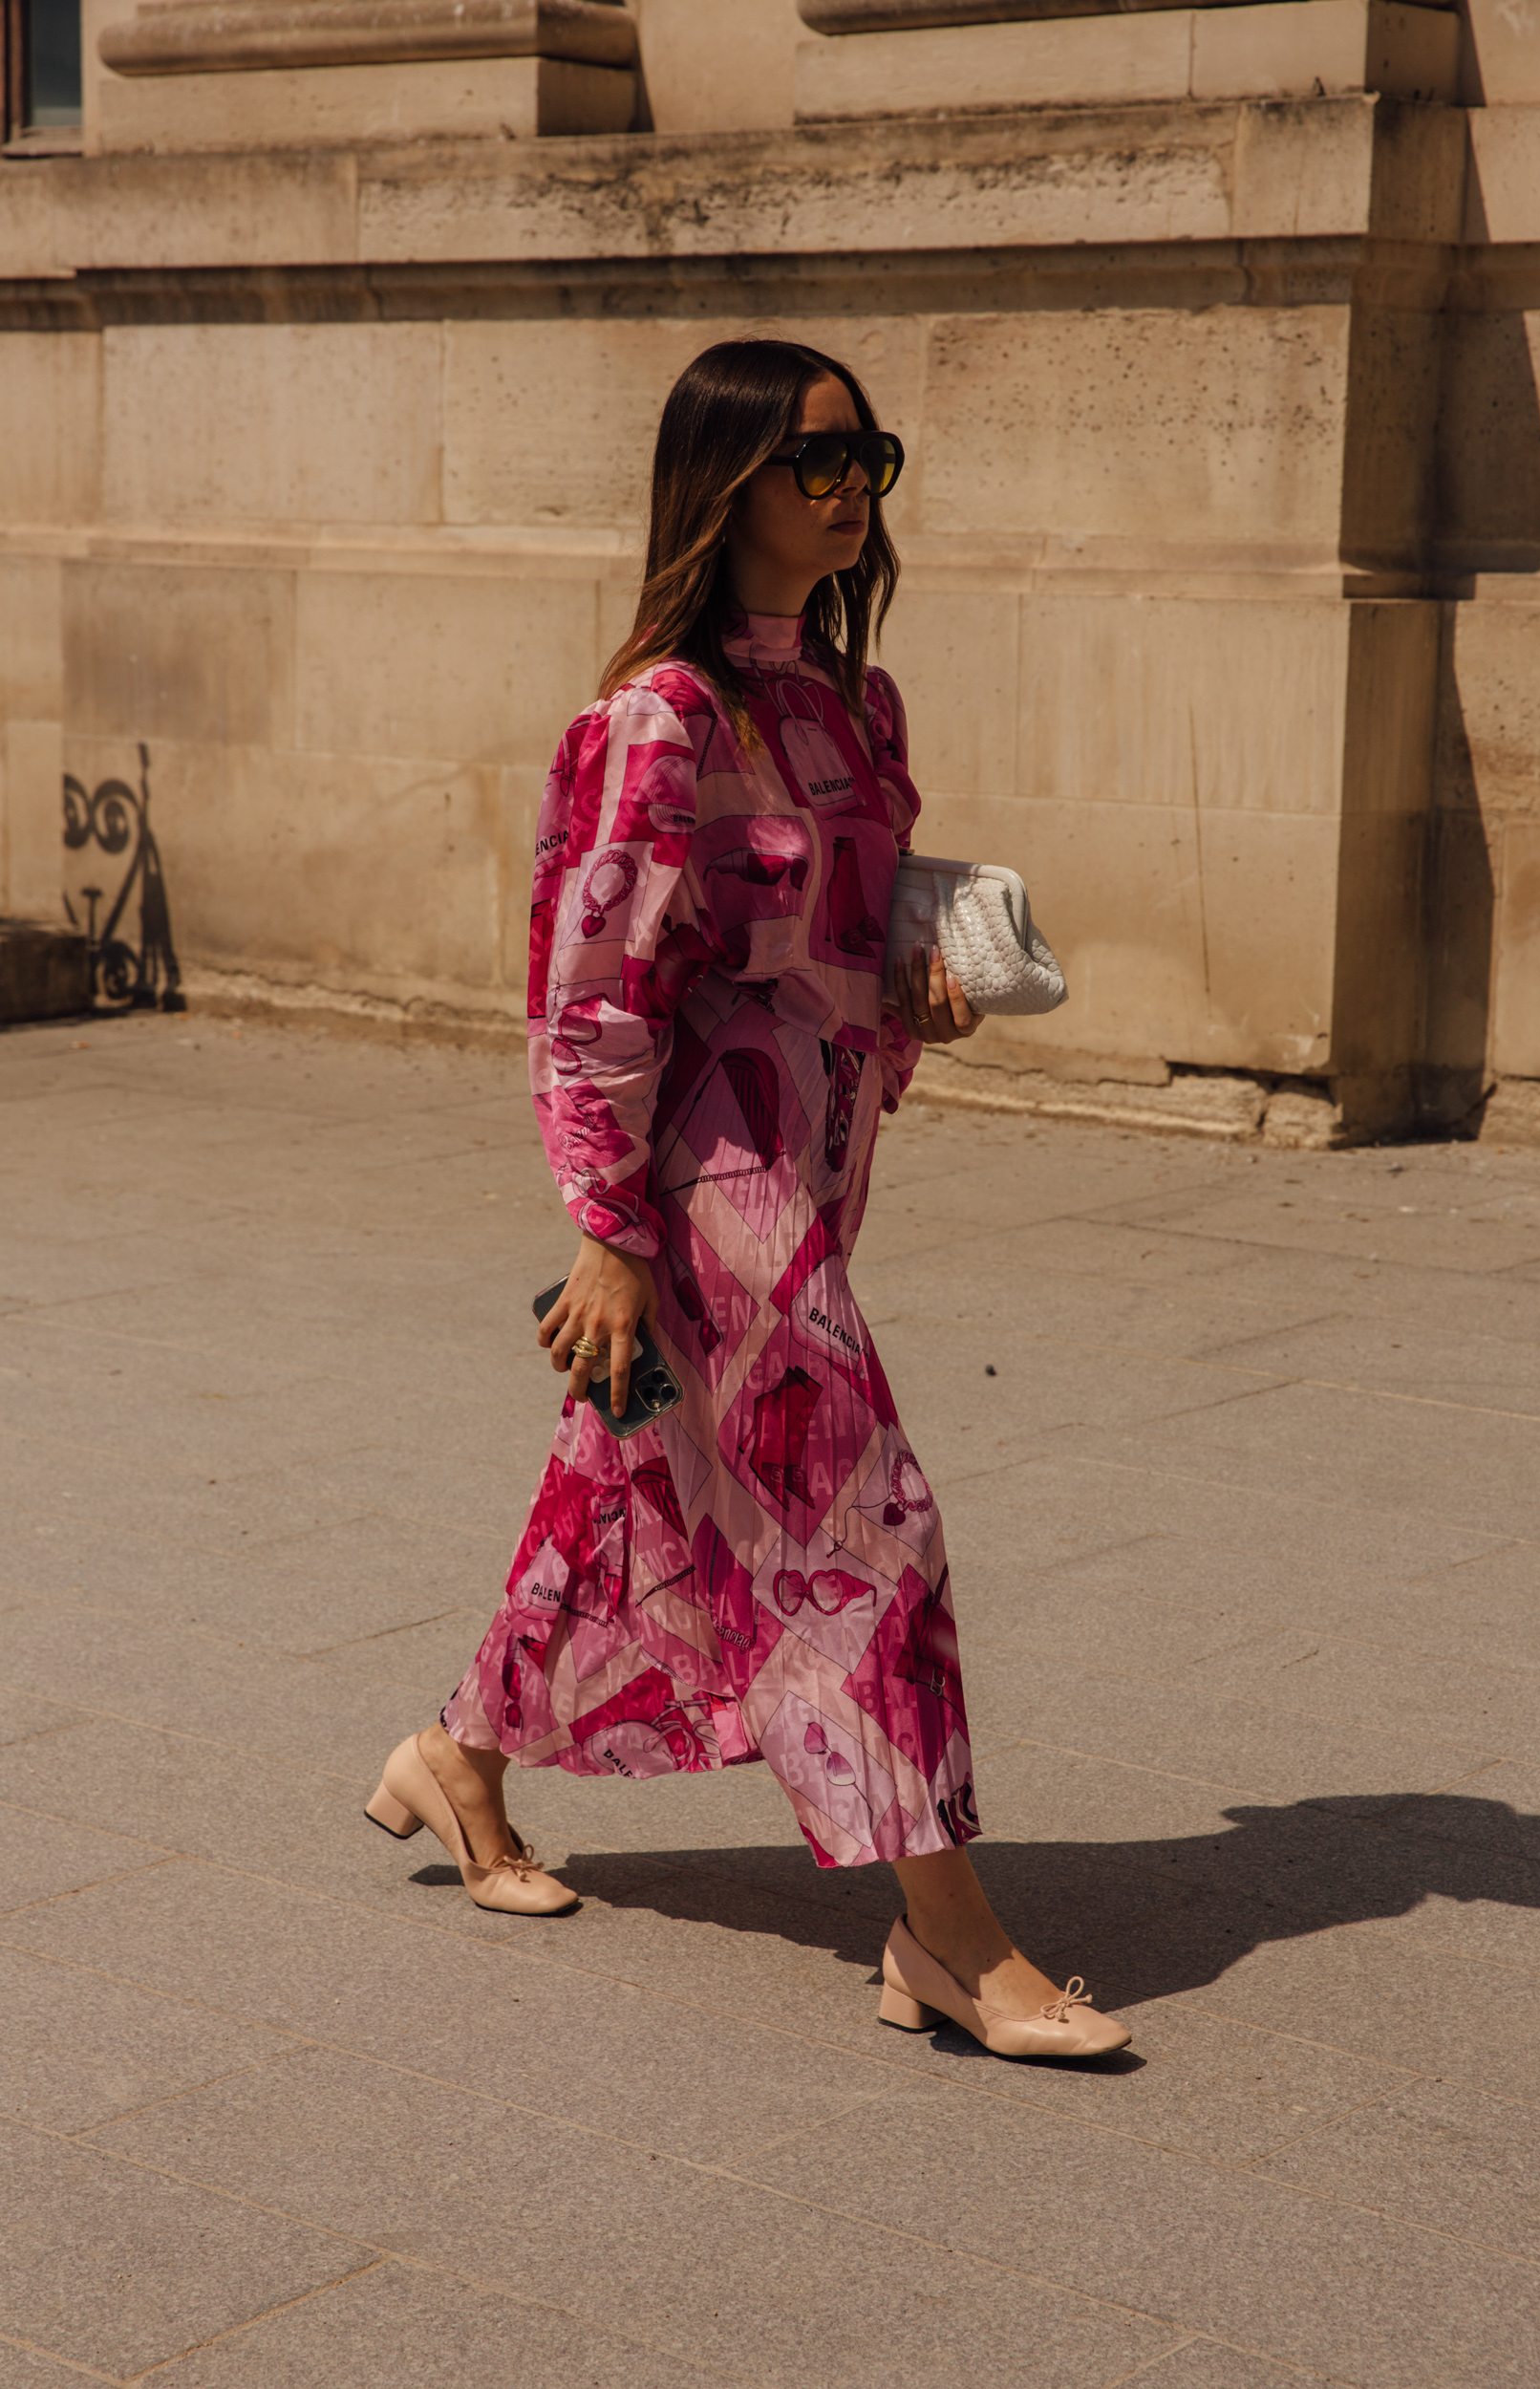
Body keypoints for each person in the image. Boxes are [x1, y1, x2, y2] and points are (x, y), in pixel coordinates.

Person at [367, 339, 1130, 2062]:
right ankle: (950, 1938)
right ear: (726, 484)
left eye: (874, 460)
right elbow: (593, 993)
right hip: (709, 1191)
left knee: (629, 1488)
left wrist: (915, 993)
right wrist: (605, 1229)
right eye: (817, 463)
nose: (853, 489)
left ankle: (457, 1763)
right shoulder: (653, 722)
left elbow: (847, 952)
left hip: (824, 1157)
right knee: (870, 1530)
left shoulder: (860, 708)